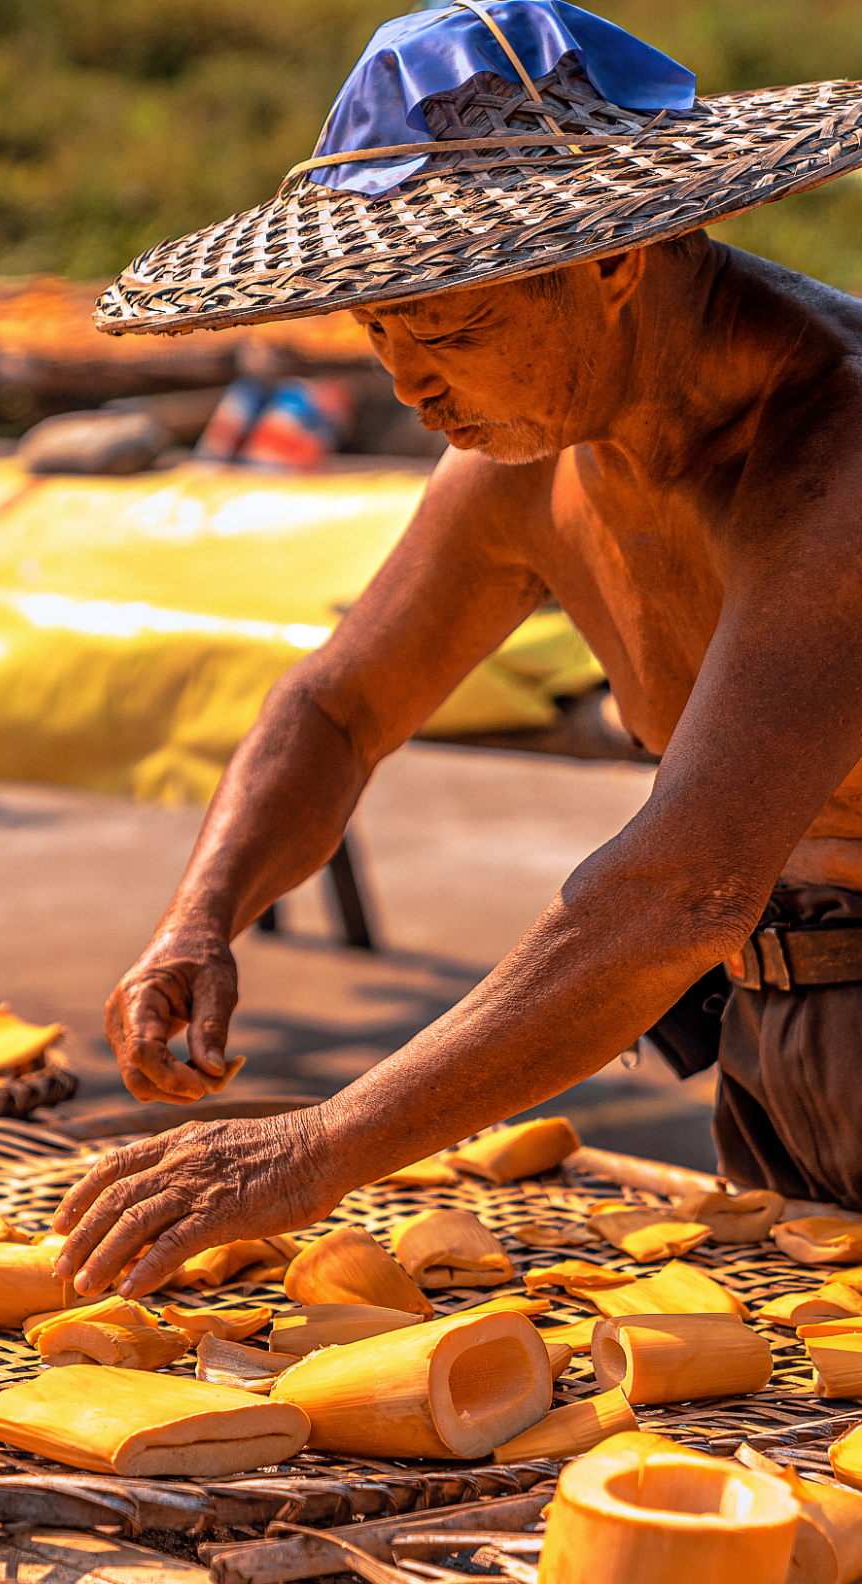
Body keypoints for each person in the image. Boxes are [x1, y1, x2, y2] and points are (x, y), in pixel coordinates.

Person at [52, 0, 862, 1298]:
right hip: (777, 1021)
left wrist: (317, 1149)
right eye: (382, 335)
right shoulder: (531, 457)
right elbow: (336, 707)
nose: (414, 388)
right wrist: (201, 918)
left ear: (615, 259)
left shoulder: (837, 455)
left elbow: (683, 890)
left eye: (454, 330)